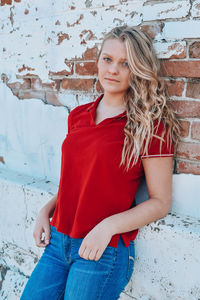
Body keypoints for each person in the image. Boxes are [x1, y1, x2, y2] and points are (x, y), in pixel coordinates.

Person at [20, 25, 180, 300]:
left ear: (138, 69)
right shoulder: (78, 116)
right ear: (98, 61)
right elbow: (77, 181)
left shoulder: (149, 126)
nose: (113, 70)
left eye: (125, 63)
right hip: (58, 242)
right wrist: (45, 211)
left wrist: (107, 227)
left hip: (103, 248)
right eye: (107, 59)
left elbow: (160, 202)